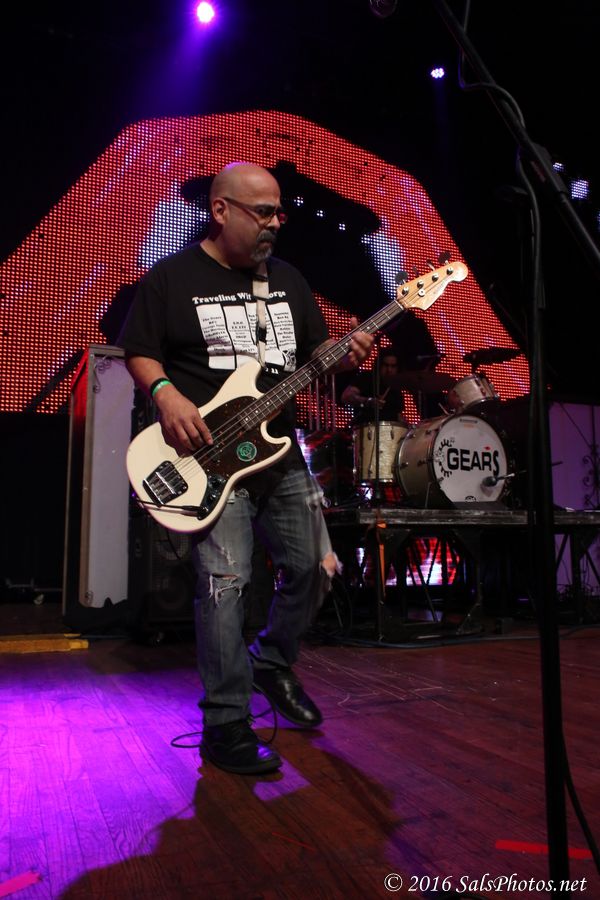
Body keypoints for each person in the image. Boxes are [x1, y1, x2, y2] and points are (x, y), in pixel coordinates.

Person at [119, 162, 373, 775]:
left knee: (316, 568)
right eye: (262, 212)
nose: (276, 223)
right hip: (206, 457)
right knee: (224, 585)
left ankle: (272, 660)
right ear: (221, 210)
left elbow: (315, 350)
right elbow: (140, 351)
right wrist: (166, 396)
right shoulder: (173, 277)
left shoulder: (287, 280)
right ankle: (226, 723)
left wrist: (345, 353)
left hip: (277, 453)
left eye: (279, 212)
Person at [339, 347, 407, 426]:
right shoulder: (367, 377)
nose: (389, 370)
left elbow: (398, 415)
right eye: (386, 365)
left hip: (390, 430)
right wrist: (368, 401)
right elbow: (346, 396)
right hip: (366, 427)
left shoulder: (396, 385)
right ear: (379, 365)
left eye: (393, 366)